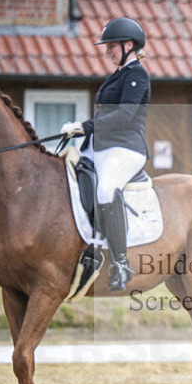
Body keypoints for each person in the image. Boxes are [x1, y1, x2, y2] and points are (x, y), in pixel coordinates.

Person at [60, 17, 150, 291]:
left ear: (128, 45)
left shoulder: (137, 75)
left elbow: (124, 115)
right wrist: (79, 133)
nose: (107, 51)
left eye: (111, 46)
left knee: (106, 189)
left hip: (125, 147)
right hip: (100, 146)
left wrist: (84, 126)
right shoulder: (118, 75)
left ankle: (121, 263)